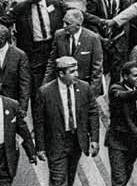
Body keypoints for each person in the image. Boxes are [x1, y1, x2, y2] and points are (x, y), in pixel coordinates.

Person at [32, 56, 99, 186]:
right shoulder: (45, 92)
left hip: (76, 141)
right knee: (58, 179)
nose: (77, 74)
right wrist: (40, 147)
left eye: (77, 70)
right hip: (56, 143)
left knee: (70, 177)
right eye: (72, 72)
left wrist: (94, 139)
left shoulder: (84, 87)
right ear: (61, 74)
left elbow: (93, 113)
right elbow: (39, 122)